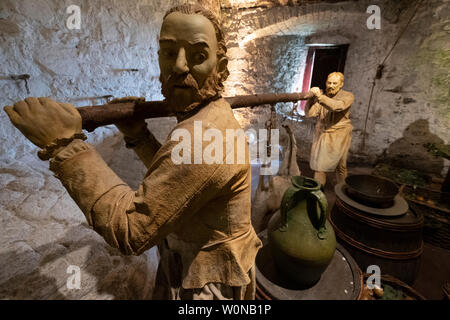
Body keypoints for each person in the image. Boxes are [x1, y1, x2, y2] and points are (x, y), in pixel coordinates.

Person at [4, 4, 262, 300]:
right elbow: (181, 187)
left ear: (222, 66)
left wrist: (66, 146)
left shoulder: (204, 134)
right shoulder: (206, 117)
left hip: (210, 286)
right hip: (188, 264)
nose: (179, 66)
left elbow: (131, 230)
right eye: (168, 52)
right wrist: (138, 135)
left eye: (198, 56)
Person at [305, 72, 354, 187]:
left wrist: (320, 97)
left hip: (339, 135)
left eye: (335, 83)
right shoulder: (323, 96)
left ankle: (343, 190)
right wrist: (311, 99)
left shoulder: (348, 96)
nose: (331, 86)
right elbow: (311, 114)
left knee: (341, 166)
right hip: (324, 134)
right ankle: (318, 193)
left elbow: (338, 106)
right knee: (319, 167)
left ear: (341, 84)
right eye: (329, 82)